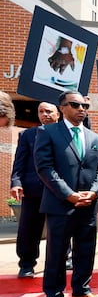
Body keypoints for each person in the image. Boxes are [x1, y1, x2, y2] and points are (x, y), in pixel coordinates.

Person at [34, 91, 98, 297]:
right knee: (56, 254)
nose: (81, 108)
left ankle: (81, 291)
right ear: (62, 107)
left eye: (84, 105)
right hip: (60, 205)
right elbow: (45, 168)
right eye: (75, 104)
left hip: (88, 204)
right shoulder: (48, 132)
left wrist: (94, 192)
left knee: (86, 249)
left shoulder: (94, 138)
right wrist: (70, 195)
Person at [11, 102, 60, 278]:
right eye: (41, 111)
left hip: (59, 190)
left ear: (58, 114)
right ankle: (26, 264)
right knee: (28, 228)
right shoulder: (27, 135)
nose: (45, 114)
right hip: (33, 190)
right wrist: (16, 182)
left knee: (61, 227)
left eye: (49, 111)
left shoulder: (66, 134)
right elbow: (19, 161)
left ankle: (65, 258)